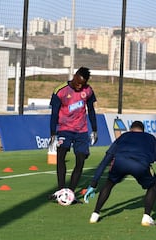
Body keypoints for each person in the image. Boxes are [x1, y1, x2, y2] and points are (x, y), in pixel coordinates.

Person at [84, 120, 156, 225]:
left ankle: (95, 214)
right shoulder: (151, 138)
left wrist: (93, 184)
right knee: (153, 185)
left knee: (109, 183)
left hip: (120, 163)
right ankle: (147, 217)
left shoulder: (124, 136)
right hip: (140, 165)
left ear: (131, 130)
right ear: (143, 131)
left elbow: (106, 160)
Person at [49, 66, 98, 204]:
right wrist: (53, 133)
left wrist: (94, 130)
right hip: (64, 129)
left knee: (81, 159)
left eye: (82, 84)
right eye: (78, 82)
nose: (79, 85)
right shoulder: (60, 91)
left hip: (81, 131)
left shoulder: (88, 91)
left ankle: (70, 192)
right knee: (61, 156)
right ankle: (60, 191)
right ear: (75, 75)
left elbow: (92, 111)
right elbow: (54, 114)